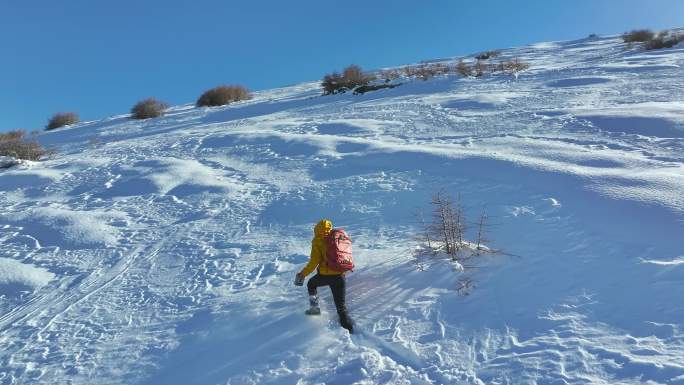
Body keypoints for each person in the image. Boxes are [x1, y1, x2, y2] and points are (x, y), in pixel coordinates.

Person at [295, 219, 354, 333]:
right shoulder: (338, 238)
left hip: (325, 276)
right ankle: (349, 328)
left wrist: (302, 274)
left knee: (311, 284)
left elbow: (313, 262)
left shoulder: (318, 240)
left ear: (317, 229)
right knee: (341, 307)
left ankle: (314, 309)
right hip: (340, 276)